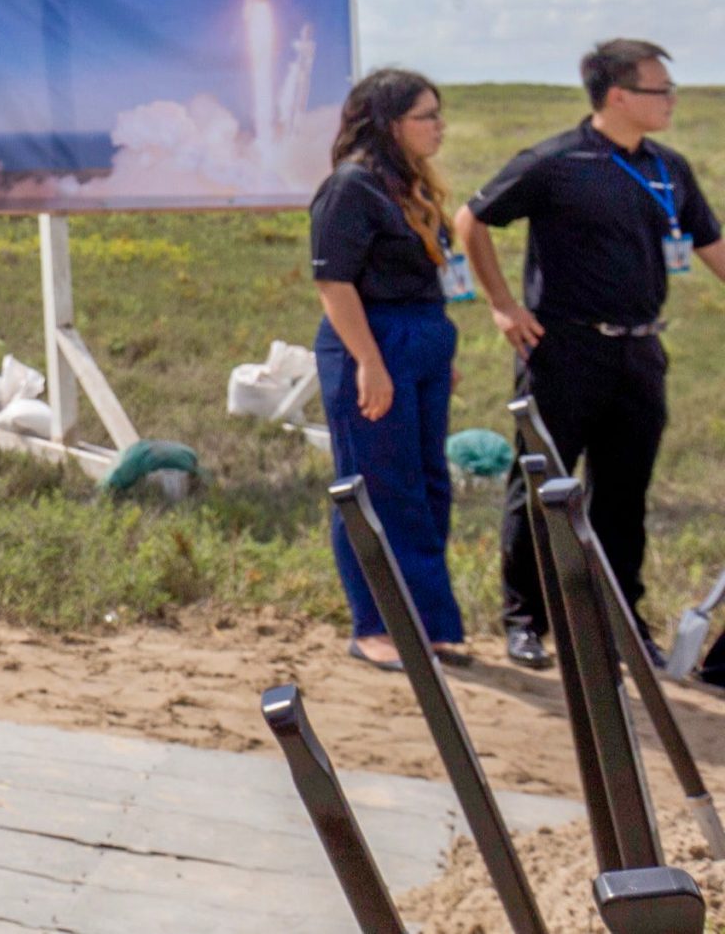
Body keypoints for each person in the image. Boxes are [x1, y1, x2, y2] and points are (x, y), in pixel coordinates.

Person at [458, 38, 725, 670]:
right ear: (619, 96)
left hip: (639, 354)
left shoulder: (670, 168)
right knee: (539, 483)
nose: (671, 101)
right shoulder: (555, 162)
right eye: (660, 90)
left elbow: (712, 247)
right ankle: (525, 622)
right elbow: (472, 220)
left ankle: (619, 621)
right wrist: (502, 305)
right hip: (562, 349)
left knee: (625, 493)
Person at [309, 68, 471, 671]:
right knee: (376, 486)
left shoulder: (408, 184)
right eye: (426, 116)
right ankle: (375, 625)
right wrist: (370, 363)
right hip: (373, 339)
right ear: (388, 124)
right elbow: (334, 281)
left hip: (421, 337)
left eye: (438, 114)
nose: (439, 127)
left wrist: (437, 354)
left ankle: (427, 623)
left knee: (427, 485)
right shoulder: (350, 187)